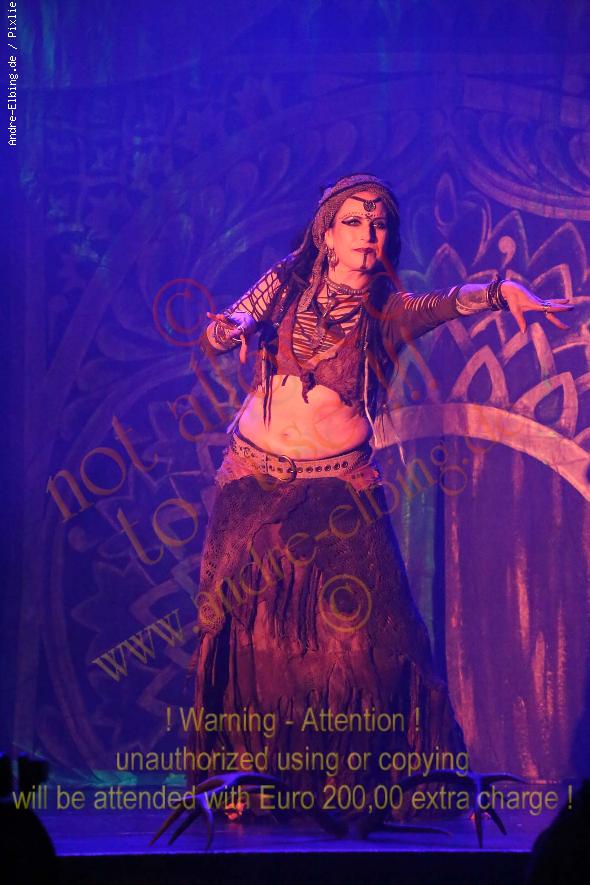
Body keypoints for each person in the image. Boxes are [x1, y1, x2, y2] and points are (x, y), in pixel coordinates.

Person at [188, 173, 573, 814]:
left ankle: (363, 787)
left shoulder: (387, 313)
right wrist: (225, 332)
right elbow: (230, 324)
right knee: (244, 632)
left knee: (365, 640)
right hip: (251, 479)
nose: (368, 234)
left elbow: (449, 302)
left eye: (379, 223)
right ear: (326, 234)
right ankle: (249, 787)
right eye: (353, 221)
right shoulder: (284, 283)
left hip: (338, 488)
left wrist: (501, 293)